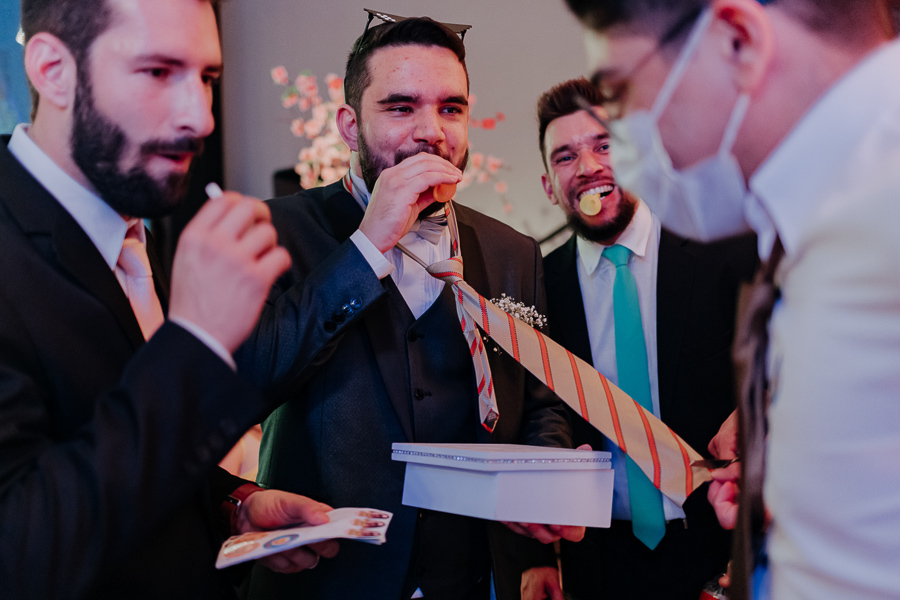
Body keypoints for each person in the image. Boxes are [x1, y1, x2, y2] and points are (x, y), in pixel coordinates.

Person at [1, 0, 340, 597]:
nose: (201, 117)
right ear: (52, 69)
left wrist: (230, 504)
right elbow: (22, 549)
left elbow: (107, 442)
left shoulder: (132, 232)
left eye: (206, 78)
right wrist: (198, 342)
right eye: (158, 72)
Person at [564, 0, 900, 598]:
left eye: (619, 99)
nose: (623, 155)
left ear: (737, 41)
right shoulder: (820, 221)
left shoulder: (878, 219)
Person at [237, 15, 576, 600]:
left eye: (451, 108)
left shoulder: (512, 252)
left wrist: (541, 485)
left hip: (470, 579)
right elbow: (251, 382)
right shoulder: (271, 230)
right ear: (350, 125)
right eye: (401, 108)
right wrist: (367, 247)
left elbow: (539, 402)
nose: (431, 131)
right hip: (324, 581)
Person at [520, 77, 755, 600]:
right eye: (565, 157)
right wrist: (538, 557)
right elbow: (531, 414)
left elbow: (786, 361)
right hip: (600, 561)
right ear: (548, 186)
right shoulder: (538, 283)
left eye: (604, 145)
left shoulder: (722, 248)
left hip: (722, 547)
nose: (587, 167)